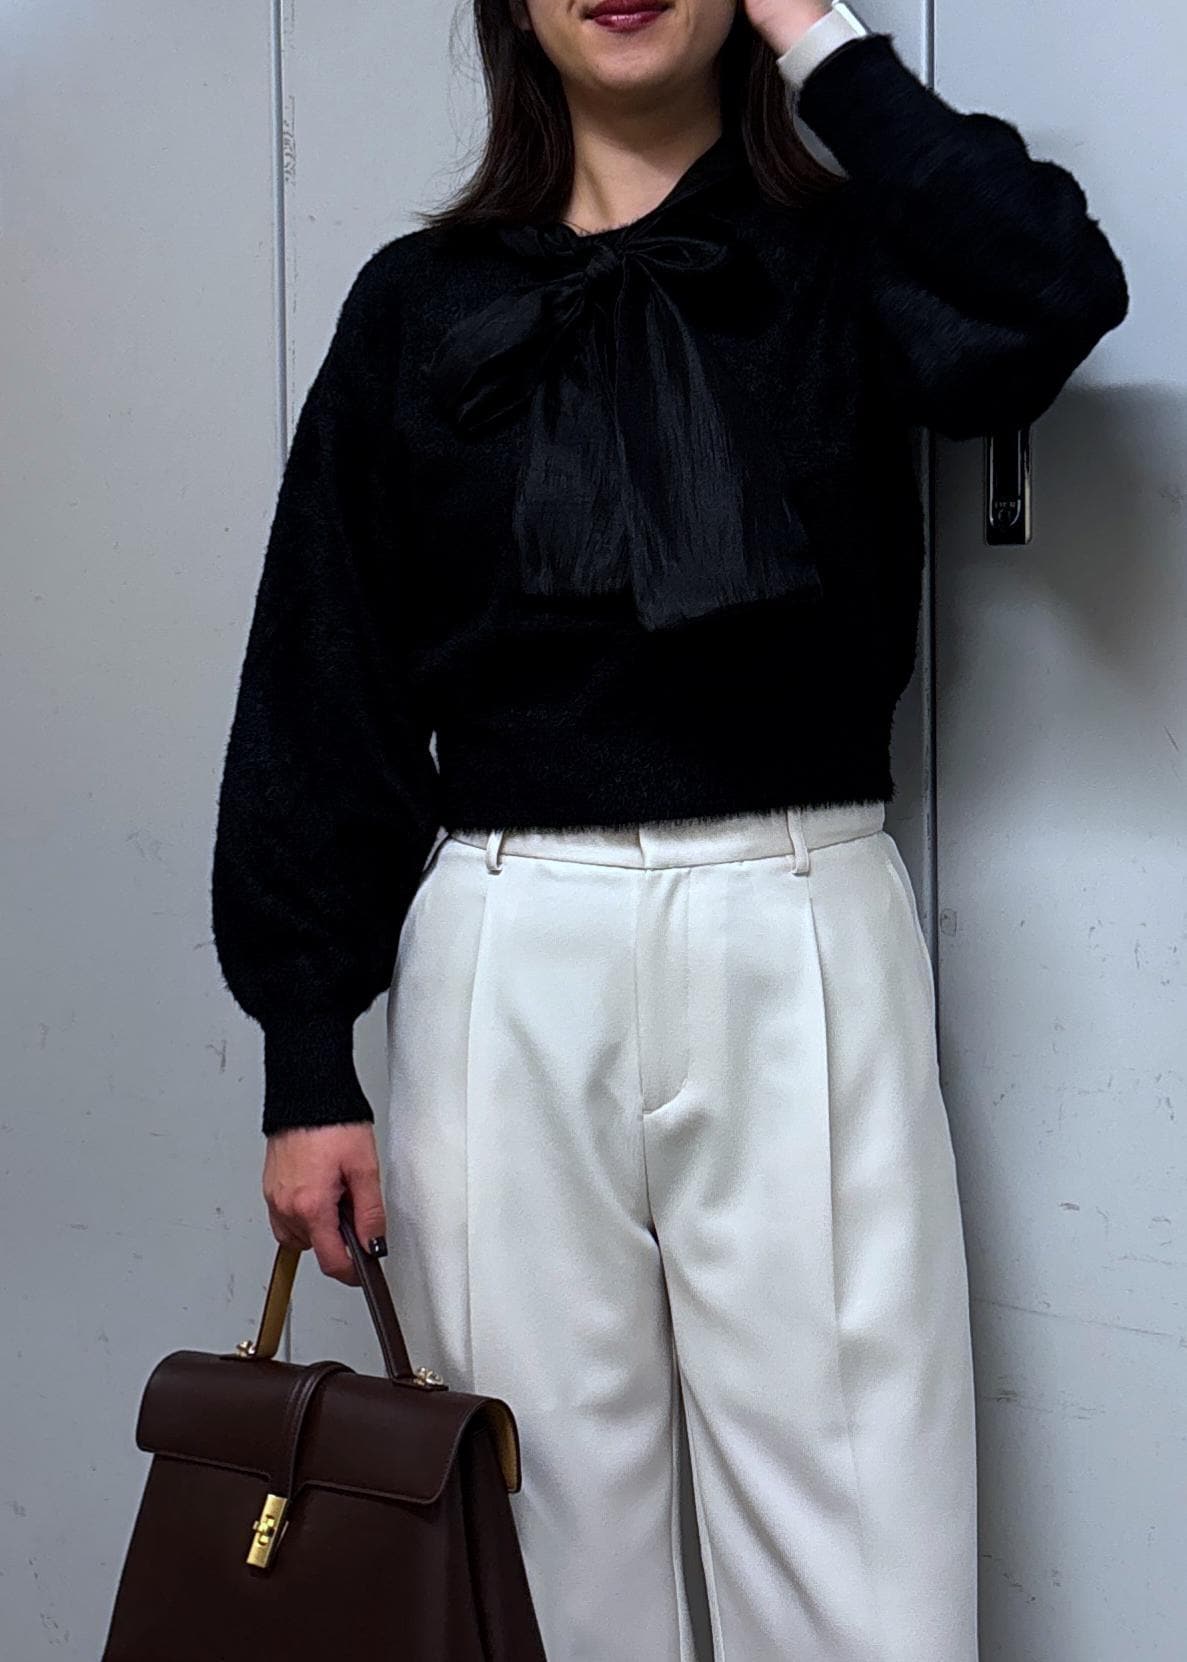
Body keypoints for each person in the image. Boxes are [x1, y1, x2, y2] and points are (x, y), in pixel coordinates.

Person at [210, 2, 1128, 1657]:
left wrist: (817, 33)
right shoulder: (417, 305)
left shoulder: (848, 259)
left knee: (866, 1550)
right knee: (532, 1550)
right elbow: (323, 676)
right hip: (506, 946)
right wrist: (305, 1057)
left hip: (801, 919)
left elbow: (1053, 288)